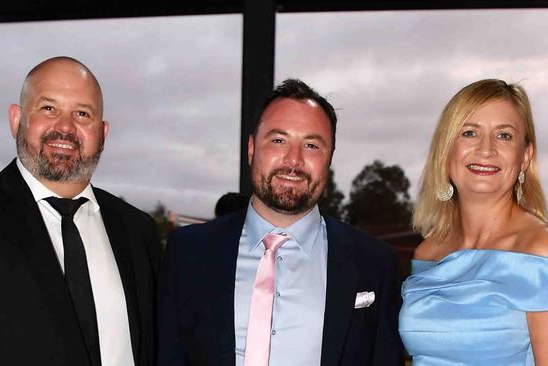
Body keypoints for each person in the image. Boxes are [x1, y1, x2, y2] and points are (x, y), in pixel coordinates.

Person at [158, 78, 403, 366]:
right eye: (278, 140)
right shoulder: (187, 253)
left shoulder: (375, 264)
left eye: (311, 145)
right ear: (251, 149)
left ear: (329, 159)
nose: (294, 160)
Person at [0, 57, 160, 366]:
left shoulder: (138, 231)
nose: (66, 127)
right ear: (17, 120)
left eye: (82, 114)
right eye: (48, 109)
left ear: (103, 132)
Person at [399, 79, 548, 365]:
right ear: (445, 150)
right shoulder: (428, 253)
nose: (486, 149)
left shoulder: (544, 252)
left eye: (504, 136)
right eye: (470, 132)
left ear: (525, 157)